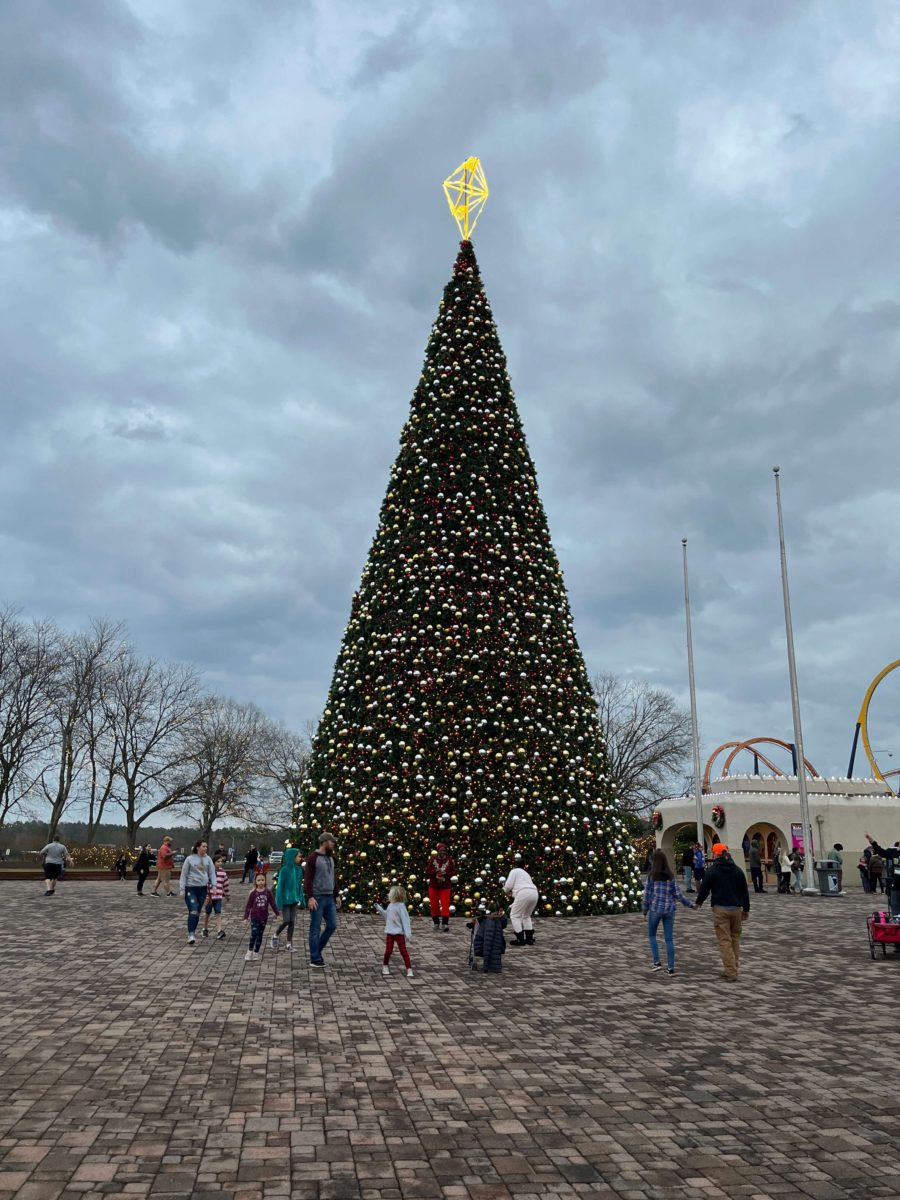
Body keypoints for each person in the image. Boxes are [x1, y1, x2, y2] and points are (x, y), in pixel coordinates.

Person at [694, 843, 750, 982]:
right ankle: (732, 967)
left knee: (725, 941)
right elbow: (744, 891)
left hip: (721, 909)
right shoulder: (738, 870)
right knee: (735, 939)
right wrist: (746, 909)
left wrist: (699, 902)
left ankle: (730, 971)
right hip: (736, 909)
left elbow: (705, 888)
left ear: (715, 854)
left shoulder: (713, 871)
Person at [642, 849, 696, 975]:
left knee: (652, 935)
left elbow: (647, 895)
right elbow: (678, 894)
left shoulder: (651, 876)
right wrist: (690, 905)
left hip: (655, 908)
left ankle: (657, 962)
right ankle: (671, 967)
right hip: (669, 909)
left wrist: (645, 910)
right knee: (669, 939)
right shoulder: (670, 876)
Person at [304, 832, 340, 968]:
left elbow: (333, 878)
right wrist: (311, 897)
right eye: (332, 842)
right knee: (315, 927)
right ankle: (315, 958)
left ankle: (316, 950)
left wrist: (336, 894)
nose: (333, 844)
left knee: (332, 925)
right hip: (317, 897)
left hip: (329, 897)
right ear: (325, 842)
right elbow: (308, 879)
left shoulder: (331, 858)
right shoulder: (313, 858)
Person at [179, 840, 217, 946]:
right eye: (203, 846)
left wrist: (214, 885)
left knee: (198, 912)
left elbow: (212, 873)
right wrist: (182, 889)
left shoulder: (208, 859)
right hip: (191, 888)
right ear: (198, 847)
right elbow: (184, 874)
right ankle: (190, 934)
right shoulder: (190, 859)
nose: (205, 848)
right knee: (193, 910)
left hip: (202, 889)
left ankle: (193, 932)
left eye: (206, 846)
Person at [272, 846, 305, 952]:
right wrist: (279, 901)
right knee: (286, 920)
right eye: (299, 856)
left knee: (292, 922)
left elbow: (299, 886)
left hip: (294, 900)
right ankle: (276, 934)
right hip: (286, 900)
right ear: (292, 857)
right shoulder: (284, 870)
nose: (301, 858)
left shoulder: (299, 870)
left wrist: (301, 899)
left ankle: (289, 944)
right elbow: (280, 887)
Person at [376, 885, 414, 977]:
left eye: (390, 893)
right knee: (388, 951)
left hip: (399, 933)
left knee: (403, 951)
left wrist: (407, 933)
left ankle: (409, 969)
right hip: (390, 932)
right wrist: (379, 909)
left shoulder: (401, 906)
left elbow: (405, 920)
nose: (388, 895)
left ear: (395, 895)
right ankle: (385, 966)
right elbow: (387, 917)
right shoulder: (390, 905)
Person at [243, 873, 279, 961]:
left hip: (264, 918)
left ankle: (256, 952)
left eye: (262, 880)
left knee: (260, 935)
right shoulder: (253, 893)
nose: (261, 882)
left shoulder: (268, 892)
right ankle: (250, 950)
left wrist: (277, 914)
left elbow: (273, 904)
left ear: (265, 881)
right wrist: (245, 918)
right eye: (258, 880)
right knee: (254, 934)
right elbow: (248, 906)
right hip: (254, 917)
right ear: (255, 881)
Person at [502, 864, 540, 947]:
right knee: (526, 916)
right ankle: (529, 939)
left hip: (523, 893)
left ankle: (520, 939)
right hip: (534, 893)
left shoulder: (514, 871)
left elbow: (508, 886)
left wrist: (504, 890)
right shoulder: (526, 873)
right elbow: (520, 892)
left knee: (515, 916)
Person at [865, 834, 900, 915]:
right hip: (895, 886)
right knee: (895, 907)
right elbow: (880, 851)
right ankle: (896, 922)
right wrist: (872, 841)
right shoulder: (892, 852)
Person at [425, 843, 456, 931]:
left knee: (445, 904)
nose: (442, 852)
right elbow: (427, 871)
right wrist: (435, 871)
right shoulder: (433, 860)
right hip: (434, 886)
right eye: (440, 850)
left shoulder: (449, 860)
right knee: (434, 905)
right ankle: (436, 923)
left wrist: (446, 873)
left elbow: (454, 872)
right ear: (438, 851)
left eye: (444, 850)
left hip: (445, 886)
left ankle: (445, 923)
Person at [201, 853, 230, 940]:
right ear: (213, 862)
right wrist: (205, 896)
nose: (220, 863)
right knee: (207, 913)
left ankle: (219, 931)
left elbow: (226, 884)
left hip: (218, 897)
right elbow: (204, 885)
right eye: (218, 861)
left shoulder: (223, 873)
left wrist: (227, 895)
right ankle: (205, 928)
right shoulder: (208, 872)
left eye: (221, 861)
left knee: (218, 913)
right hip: (209, 897)